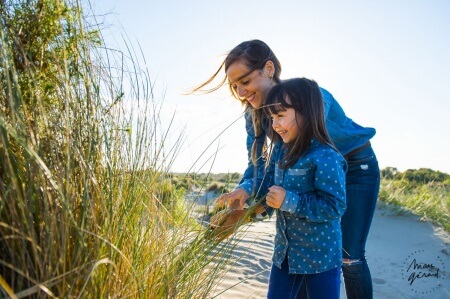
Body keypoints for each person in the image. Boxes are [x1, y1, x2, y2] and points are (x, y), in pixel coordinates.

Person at [192, 39, 380, 299]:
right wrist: (245, 191)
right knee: (300, 258)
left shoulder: (310, 98)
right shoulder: (254, 116)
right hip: (307, 176)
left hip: (356, 166)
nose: (241, 92)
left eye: (245, 82)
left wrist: (259, 206)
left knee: (349, 255)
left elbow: (302, 152)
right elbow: (259, 165)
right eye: (235, 86)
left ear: (269, 68)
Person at [263, 77, 346, 299]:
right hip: (284, 254)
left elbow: (334, 206)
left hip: (321, 257)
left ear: (307, 113)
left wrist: (289, 201)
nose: (275, 124)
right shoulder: (280, 152)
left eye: (280, 115)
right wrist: (254, 205)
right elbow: (269, 189)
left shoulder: (325, 156)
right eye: (272, 117)